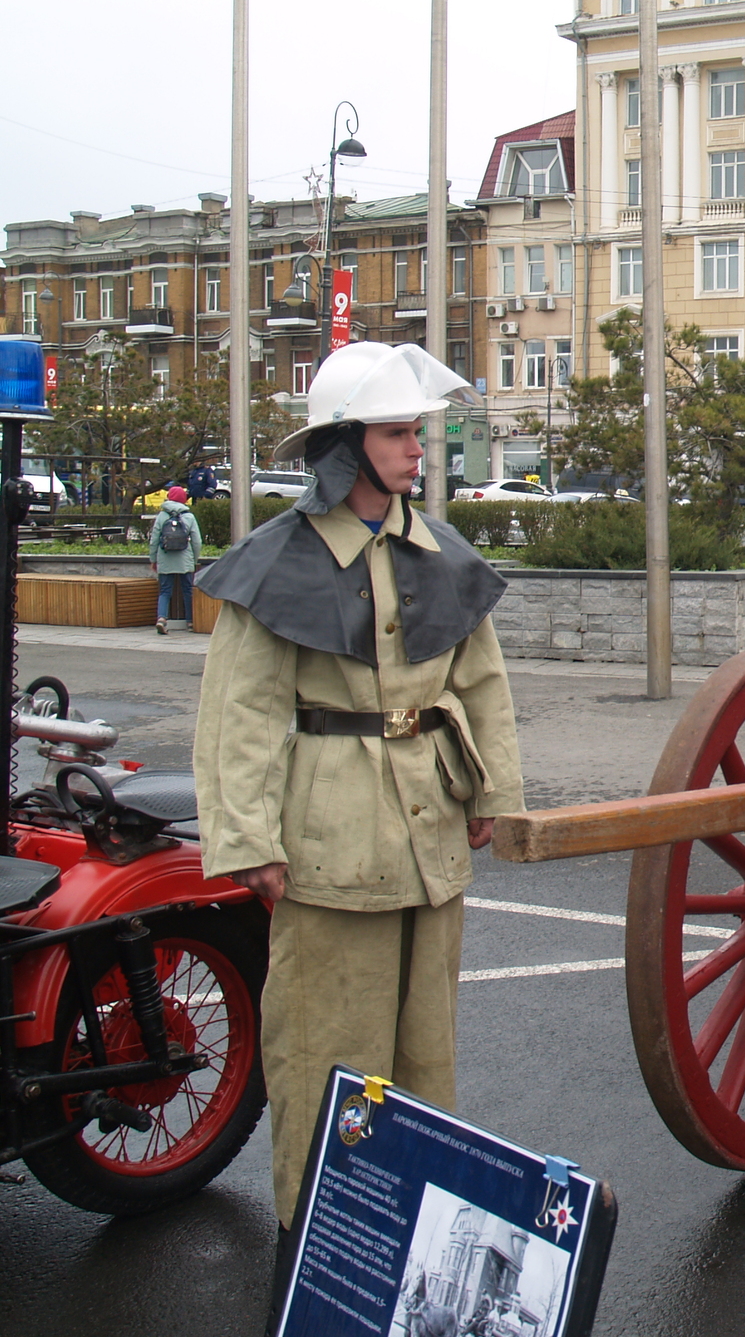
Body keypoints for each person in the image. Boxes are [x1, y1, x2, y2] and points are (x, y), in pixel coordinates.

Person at [192, 342, 524, 1251]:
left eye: (417, 431)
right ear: (345, 444)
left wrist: (495, 795)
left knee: (426, 1060)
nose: (418, 448)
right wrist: (249, 840)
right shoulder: (274, 564)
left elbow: (483, 686)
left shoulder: (442, 553)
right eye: (395, 432)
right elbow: (243, 716)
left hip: (431, 836)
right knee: (328, 1057)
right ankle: (322, 1249)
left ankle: (414, 1248)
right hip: (330, 842)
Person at [148, 484, 202, 633]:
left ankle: (161, 618)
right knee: (188, 590)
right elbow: (197, 541)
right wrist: (194, 559)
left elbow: (154, 540)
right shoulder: (189, 516)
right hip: (185, 559)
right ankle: (190, 621)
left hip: (165, 558)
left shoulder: (162, 516)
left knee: (165, 590)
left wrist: (153, 559)